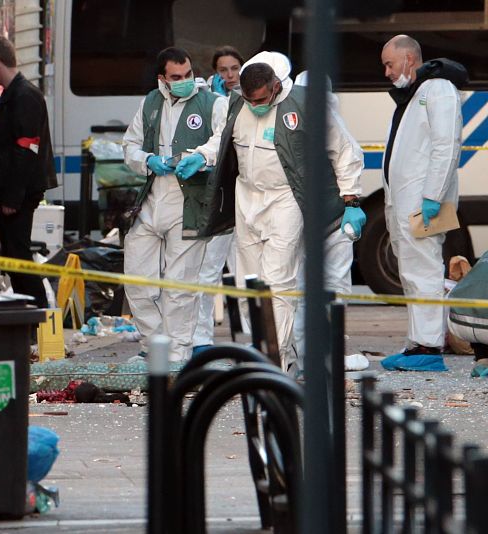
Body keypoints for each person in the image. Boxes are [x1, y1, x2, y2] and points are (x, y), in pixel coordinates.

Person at [200, 51, 365, 372]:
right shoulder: (238, 105)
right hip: (247, 198)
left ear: (275, 86)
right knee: (249, 284)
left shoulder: (305, 104)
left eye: (261, 100)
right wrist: (200, 156)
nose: (255, 106)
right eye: (249, 100)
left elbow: (344, 151)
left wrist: (351, 200)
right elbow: (219, 141)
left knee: (279, 284)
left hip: (285, 199)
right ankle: (261, 349)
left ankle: (278, 361)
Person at [122, 46, 226, 362]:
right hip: (152, 200)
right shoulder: (150, 104)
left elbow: (224, 138)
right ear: (162, 79)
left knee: (180, 287)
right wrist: (148, 160)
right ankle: (154, 347)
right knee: (137, 281)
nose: (185, 81)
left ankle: (178, 356)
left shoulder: (212, 103)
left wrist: (201, 156)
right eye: (176, 77)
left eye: (188, 74)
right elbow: (129, 146)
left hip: (189, 203)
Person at [378, 35, 466, 370]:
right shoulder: (415, 93)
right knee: (412, 271)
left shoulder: (439, 89)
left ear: (409, 59)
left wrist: (432, 196)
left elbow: (447, 146)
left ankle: (428, 348)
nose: (387, 72)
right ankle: (417, 343)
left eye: (389, 64)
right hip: (408, 201)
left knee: (425, 270)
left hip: (423, 202)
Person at [0, 35, 57, 308]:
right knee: (12, 254)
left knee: (18, 255)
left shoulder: (24, 97)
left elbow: (27, 149)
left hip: (17, 195)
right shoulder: (13, 95)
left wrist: (12, 196)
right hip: (9, 192)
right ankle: (28, 314)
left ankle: (38, 314)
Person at [291, 70, 365, 374]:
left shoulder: (324, 124)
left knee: (322, 289)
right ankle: (311, 355)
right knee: (307, 290)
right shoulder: (300, 123)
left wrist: (351, 204)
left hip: (328, 220)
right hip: (311, 220)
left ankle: (320, 353)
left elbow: (349, 158)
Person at [193, 46, 244, 354]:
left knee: (248, 272)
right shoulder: (208, 103)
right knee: (208, 268)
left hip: (249, 199)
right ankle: (201, 339)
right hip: (220, 199)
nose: (229, 75)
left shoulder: (254, 99)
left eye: (234, 68)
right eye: (223, 70)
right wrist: (217, 102)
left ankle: (256, 338)